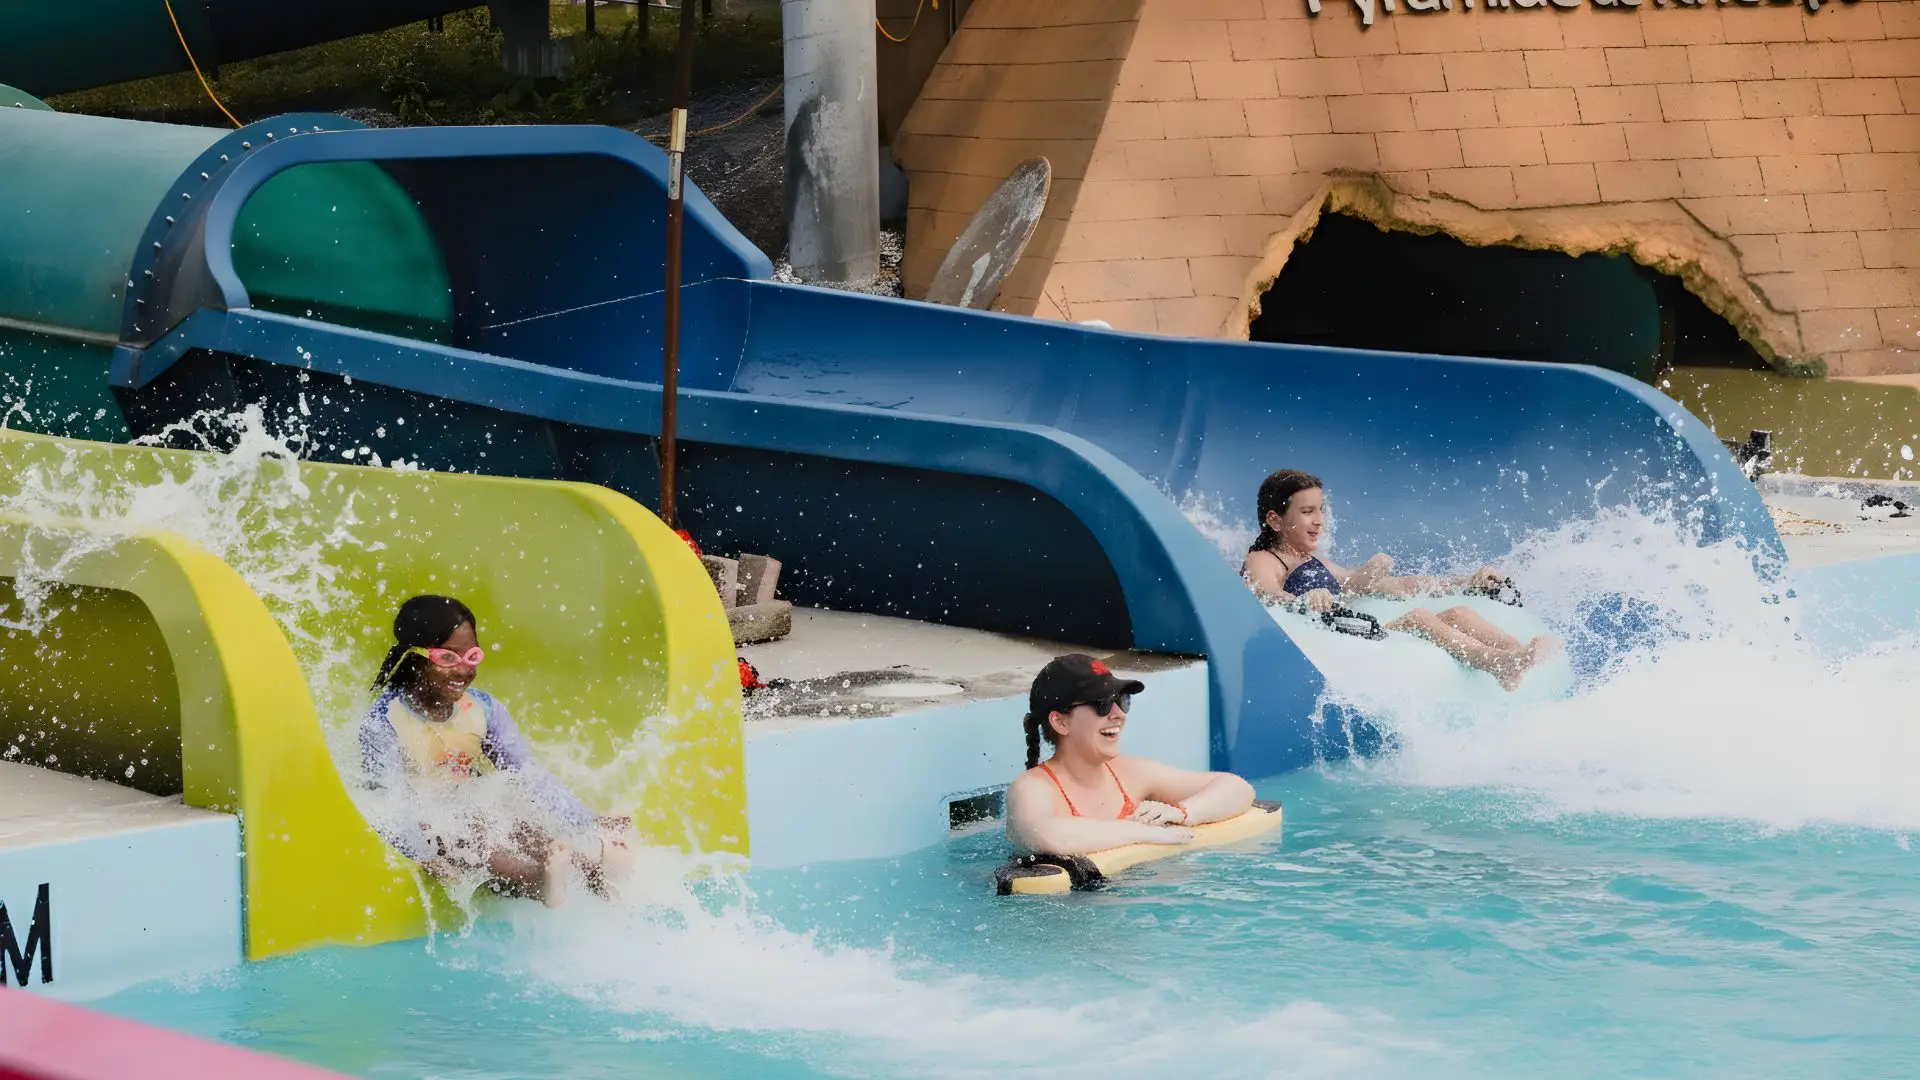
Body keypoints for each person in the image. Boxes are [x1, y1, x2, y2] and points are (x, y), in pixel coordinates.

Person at [358, 594, 633, 908]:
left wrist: (586, 820)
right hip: (425, 825)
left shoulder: (483, 709)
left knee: (519, 829)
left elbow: (527, 773)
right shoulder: (384, 721)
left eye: (472, 656)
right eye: (448, 658)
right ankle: (538, 881)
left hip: (469, 808)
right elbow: (389, 804)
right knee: (475, 836)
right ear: (414, 658)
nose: (464, 670)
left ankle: (592, 872)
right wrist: (419, 854)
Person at [1241, 469, 1559, 691]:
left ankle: (1518, 654)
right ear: (1275, 520)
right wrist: (1302, 600)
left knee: (1459, 613)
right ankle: (1499, 665)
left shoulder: (1316, 563)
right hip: (1335, 644)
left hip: (1354, 632)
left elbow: (1391, 586)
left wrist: (1467, 582)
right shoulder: (1263, 559)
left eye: (1320, 510)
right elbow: (1264, 594)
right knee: (1419, 617)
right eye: (1307, 511)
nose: (1319, 521)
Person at [1005, 654, 1255, 855]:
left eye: (1122, 700)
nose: (1119, 714)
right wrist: (1143, 831)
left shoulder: (1130, 773)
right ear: (1060, 722)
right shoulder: (1032, 787)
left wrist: (1183, 813)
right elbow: (1046, 835)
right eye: (1101, 704)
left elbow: (1237, 788)